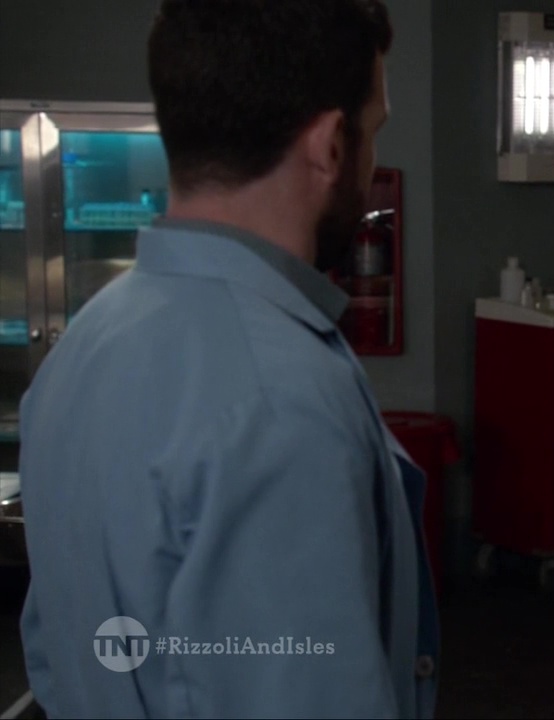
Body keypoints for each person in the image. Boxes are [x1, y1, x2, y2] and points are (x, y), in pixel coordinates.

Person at [19, 1, 439, 717]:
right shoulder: (280, 404)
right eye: (373, 131)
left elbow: (55, 652)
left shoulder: (80, 350)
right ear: (329, 145)